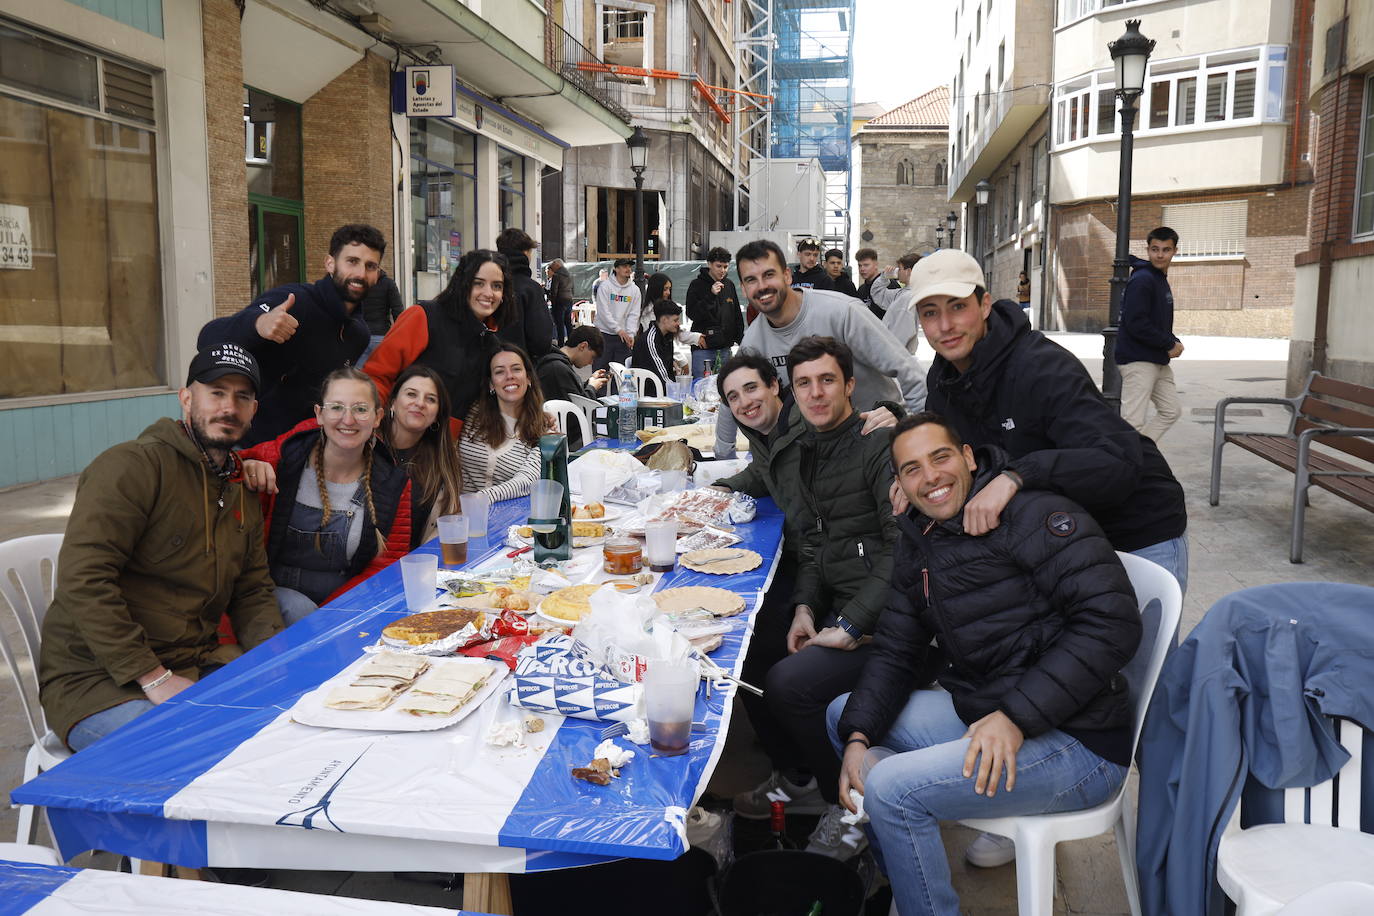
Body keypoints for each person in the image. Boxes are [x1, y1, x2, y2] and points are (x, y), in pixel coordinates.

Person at [828, 412, 1142, 915]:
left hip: (1078, 739)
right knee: (845, 719)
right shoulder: (922, 540)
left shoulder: (1033, 514)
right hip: (990, 710)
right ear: (900, 484)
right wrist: (861, 735)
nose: (930, 477)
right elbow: (896, 649)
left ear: (969, 457)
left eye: (941, 457)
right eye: (912, 469)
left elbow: (1113, 623)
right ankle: (909, 885)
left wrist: (1017, 716)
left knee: (890, 788)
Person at [39, 344, 284, 751]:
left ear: (254, 410)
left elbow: (252, 590)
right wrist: (153, 676)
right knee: (189, 752)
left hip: (194, 663)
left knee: (283, 725)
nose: (229, 407)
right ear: (186, 398)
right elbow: (84, 580)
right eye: (217, 392)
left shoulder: (240, 487)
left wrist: (275, 665)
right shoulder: (131, 467)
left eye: (242, 397)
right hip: (97, 681)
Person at [715, 342, 904, 860]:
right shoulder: (814, 449)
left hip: (896, 622)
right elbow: (818, 542)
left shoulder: (875, 439)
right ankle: (801, 775)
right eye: (806, 383)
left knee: (785, 681)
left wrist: (849, 622)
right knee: (753, 649)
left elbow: (902, 548)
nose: (815, 393)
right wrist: (805, 606)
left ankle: (846, 805)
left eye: (826, 381)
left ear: (849, 385)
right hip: (844, 595)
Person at [712, 239, 927, 459]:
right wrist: (722, 457)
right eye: (751, 280)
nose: (762, 286)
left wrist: (911, 426)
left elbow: (909, 371)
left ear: (787, 275)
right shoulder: (754, 342)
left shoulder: (843, 312)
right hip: (824, 456)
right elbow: (730, 397)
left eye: (769, 275)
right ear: (744, 289)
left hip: (879, 445)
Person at [239, 367, 414, 626]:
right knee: (301, 611)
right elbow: (222, 469)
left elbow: (386, 565)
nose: (348, 419)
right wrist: (246, 466)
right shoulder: (283, 460)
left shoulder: (393, 484)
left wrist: (334, 615)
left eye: (360, 409)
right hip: (270, 596)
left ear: (377, 417)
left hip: (345, 604)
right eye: (336, 407)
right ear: (319, 414)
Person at [197, 224, 383, 445]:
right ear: (330, 263)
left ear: (377, 274)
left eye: (370, 266)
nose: (361, 274)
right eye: (352, 261)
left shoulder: (358, 334)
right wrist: (258, 323)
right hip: (248, 446)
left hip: (302, 450)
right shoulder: (295, 301)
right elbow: (208, 338)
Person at [364, 249, 514, 435]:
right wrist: (374, 428)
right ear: (463, 284)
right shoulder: (424, 317)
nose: (488, 293)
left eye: (497, 286)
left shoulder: (491, 343)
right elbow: (377, 376)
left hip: (444, 453)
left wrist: (537, 419)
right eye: (478, 283)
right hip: (397, 439)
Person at [378, 364, 464, 547]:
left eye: (431, 399)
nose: (420, 403)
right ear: (392, 402)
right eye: (411, 394)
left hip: (414, 566)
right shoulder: (365, 445)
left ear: (437, 415)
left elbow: (443, 527)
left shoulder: (444, 462)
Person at [1115, 227, 1184, 442]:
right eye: (1155, 249)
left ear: (1175, 251)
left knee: (1171, 410)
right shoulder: (1143, 279)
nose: (1160, 255)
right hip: (1138, 360)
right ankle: (1126, 469)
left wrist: (1174, 341)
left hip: (1157, 358)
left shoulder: (1158, 278)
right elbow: (1136, 323)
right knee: (1132, 422)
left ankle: (1142, 456)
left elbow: (1157, 320)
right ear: (1148, 249)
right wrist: (1167, 343)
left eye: (1166, 249)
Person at [458, 344, 544, 503]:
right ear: (491, 384)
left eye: (516, 369)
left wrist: (479, 500)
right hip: (459, 516)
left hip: (508, 521)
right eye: (499, 372)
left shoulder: (543, 427)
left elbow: (527, 480)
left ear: (529, 378)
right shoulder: (471, 414)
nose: (509, 376)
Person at [536, 326, 608, 450]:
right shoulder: (557, 368)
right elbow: (578, 411)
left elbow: (571, 394)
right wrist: (591, 387)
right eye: (592, 357)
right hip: (568, 439)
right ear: (583, 346)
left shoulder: (558, 364)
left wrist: (589, 382)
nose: (591, 362)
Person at [494, 227, 555, 359]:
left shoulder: (489, 287)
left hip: (487, 366)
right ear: (526, 252)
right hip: (518, 364)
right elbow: (541, 341)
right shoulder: (530, 289)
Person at [685, 247, 745, 378]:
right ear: (709, 264)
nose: (722, 270)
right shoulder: (697, 285)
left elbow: (736, 315)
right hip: (703, 349)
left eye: (725, 266)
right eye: (719, 266)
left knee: (725, 388)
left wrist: (742, 342)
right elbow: (692, 313)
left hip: (725, 348)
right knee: (700, 387)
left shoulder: (729, 285)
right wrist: (710, 295)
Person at [592, 258, 640, 372]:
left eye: (629, 266)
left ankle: (618, 391)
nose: (628, 269)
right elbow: (603, 312)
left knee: (621, 373)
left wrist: (631, 334)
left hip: (624, 338)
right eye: (624, 266)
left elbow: (634, 314)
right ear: (616, 269)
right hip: (604, 334)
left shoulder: (635, 290)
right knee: (600, 371)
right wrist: (618, 330)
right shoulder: (605, 287)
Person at [631, 299, 688, 393]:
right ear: (664, 320)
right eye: (675, 320)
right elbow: (661, 373)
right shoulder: (651, 339)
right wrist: (678, 391)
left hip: (662, 389)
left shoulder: (667, 336)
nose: (678, 324)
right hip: (649, 392)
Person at [870, 253, 922, 353]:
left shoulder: (907, 297)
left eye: (900, 269)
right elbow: (877, 293)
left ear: (908, 271)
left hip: (895, 353)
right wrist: (884, 277)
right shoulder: (903, 293)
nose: (897, 272)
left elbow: (900, 333)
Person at [358, 268, 404, 367]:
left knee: (357, 374)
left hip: (361, 335)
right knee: (379, 372)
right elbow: (398, 311)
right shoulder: (389, 284)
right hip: (381, 336)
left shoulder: (359, 283)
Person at [854, 247, 894, 318]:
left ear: (876, 265)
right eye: (859, 265)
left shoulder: (889, 284)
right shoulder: (861, 289)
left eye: (866, 265)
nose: (862, 269)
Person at [546, 258, 575, 346]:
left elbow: (554, 291)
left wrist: (553, 302)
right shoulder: (570, 275)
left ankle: (561, 344)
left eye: (553, 265)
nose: (552, 267)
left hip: (559, 302)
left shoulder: (557, 275)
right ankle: (572, 342)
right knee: (568, 323)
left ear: (558, 265)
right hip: (569, 300)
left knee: (560, 324)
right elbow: (573, 290)